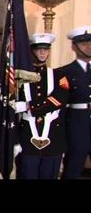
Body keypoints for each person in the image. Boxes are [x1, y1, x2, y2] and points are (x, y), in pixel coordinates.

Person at [14, 33, 69, 179]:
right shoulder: (19, 76)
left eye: (46, 49)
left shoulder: (59, 75)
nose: (43, 52)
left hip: (53, 138)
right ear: (31, 50)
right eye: (39, 49)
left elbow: (58, 100)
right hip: (26, 137)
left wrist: (27, 106)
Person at [58, 26, 91, 179]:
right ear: (74, 46)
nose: (89, 46)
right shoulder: (64, 72)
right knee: (73, 168)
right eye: (84, 43)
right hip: (77, 126)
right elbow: (61, 106)